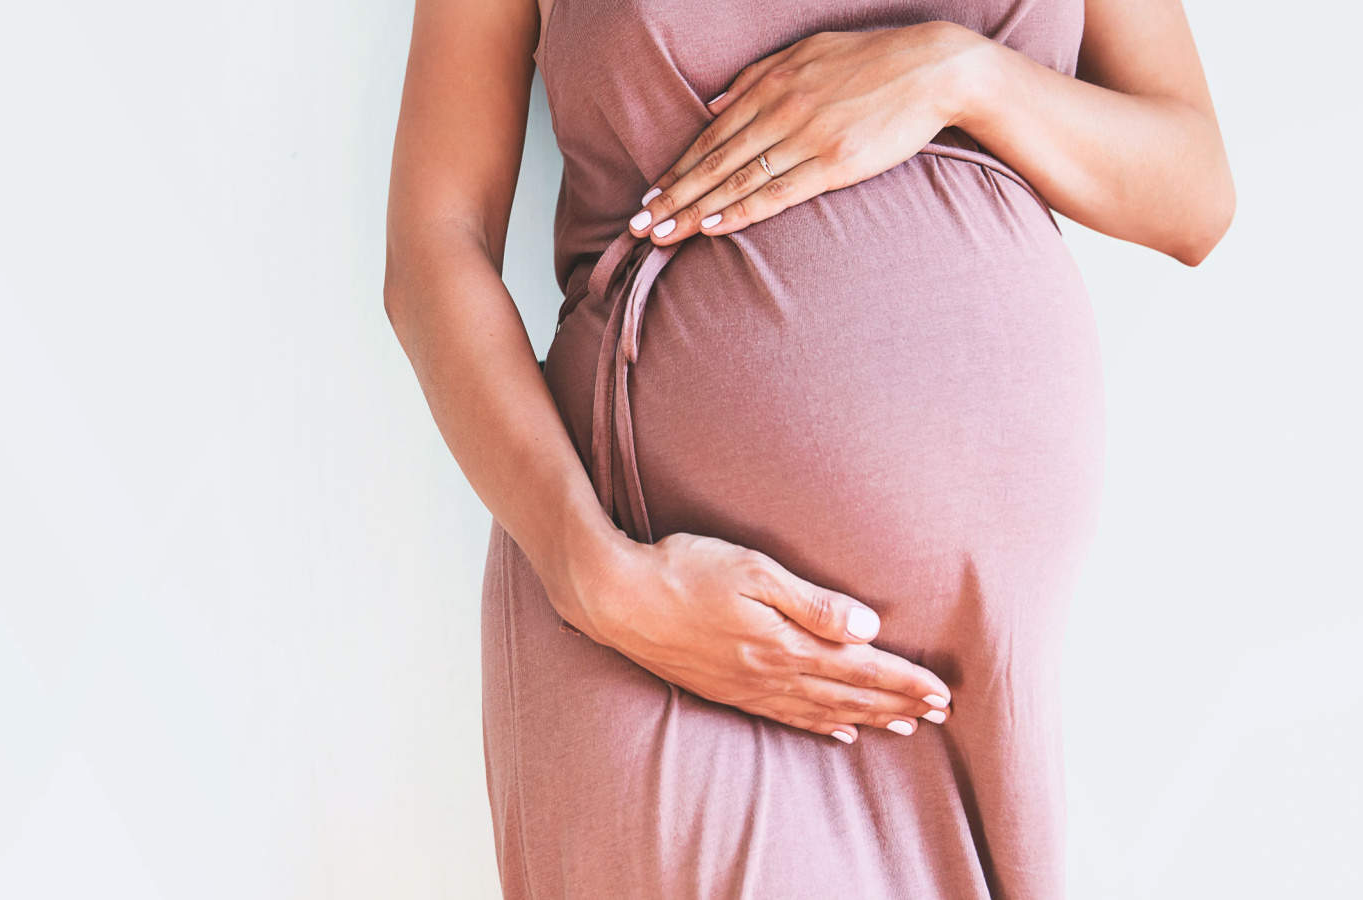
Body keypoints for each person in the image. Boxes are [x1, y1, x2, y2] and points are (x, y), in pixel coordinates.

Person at [383, 0, 1233, 895]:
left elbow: (1194, 191)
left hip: (979, 674)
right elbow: (435, 244)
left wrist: (956, 74)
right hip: (665, 615)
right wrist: (593, 576)